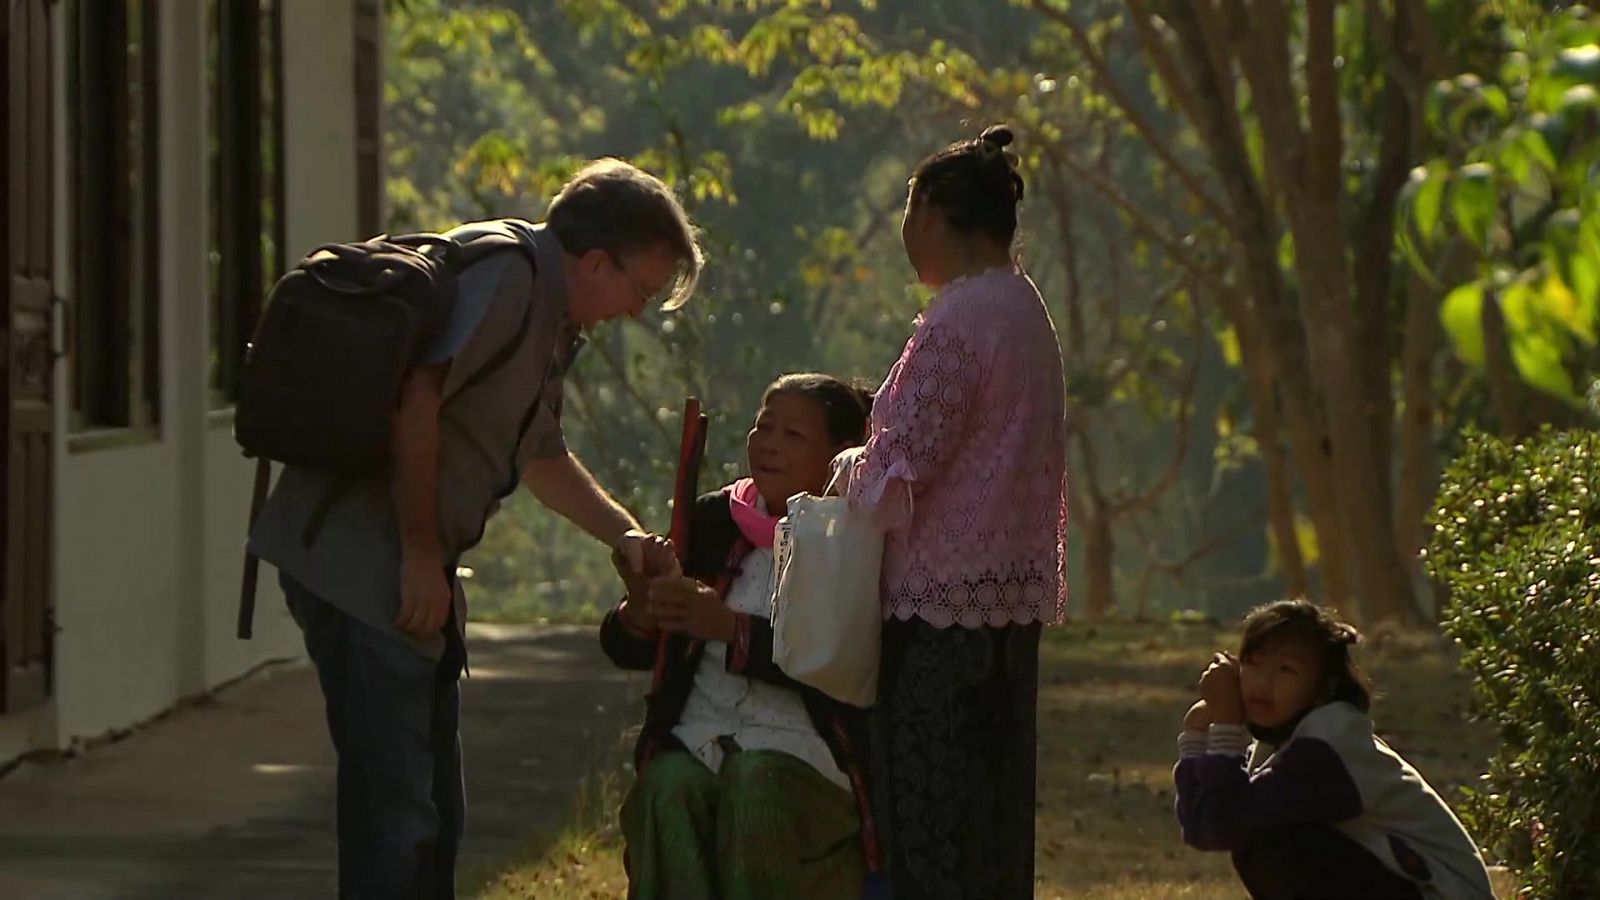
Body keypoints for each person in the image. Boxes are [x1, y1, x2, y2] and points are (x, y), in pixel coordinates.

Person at [248, 159, 700, 898]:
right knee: (395, 821)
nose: (635, 312)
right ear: (594, 261)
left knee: (434, 818)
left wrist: (624, 534)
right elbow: (415, 397)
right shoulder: (511, 277)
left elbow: (538, 449)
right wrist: (422, 556)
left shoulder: (548, 316)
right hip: (361, 563)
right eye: (639, 290)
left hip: (399, 570)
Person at [833, 124, 1070, 899]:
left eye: (910, 212)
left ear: (931, 210)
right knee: (992, 827)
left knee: (928, 833)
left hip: (937, 619)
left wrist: (843, 474)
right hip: (1004, 615)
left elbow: (909, 461)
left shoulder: (959, 320)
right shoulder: (1024, 309)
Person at [600, 373, 881, 900]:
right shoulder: (711, 521)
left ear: (842, 453)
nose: (769, 444)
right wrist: (643, 602)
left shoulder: (853, 538)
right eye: (763, 426)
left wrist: (730, 629)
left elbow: (844, 665)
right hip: (702, 741)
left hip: (807, 760)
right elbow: (631, 647)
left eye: (793, 435)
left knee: (758, 787)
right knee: (665, 786)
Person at [1175, 599, 1496, 900]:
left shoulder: (1330, 745)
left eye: (1285, 670)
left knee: (1268, 840)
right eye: (1254, 664)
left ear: (1324, 688)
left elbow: (1225, 824)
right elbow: (1203, 829)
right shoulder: (1278, 743)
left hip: (1438, 893)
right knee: (1259, 832)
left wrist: (1229, 724)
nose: (1262, 682)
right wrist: (1196, 733)